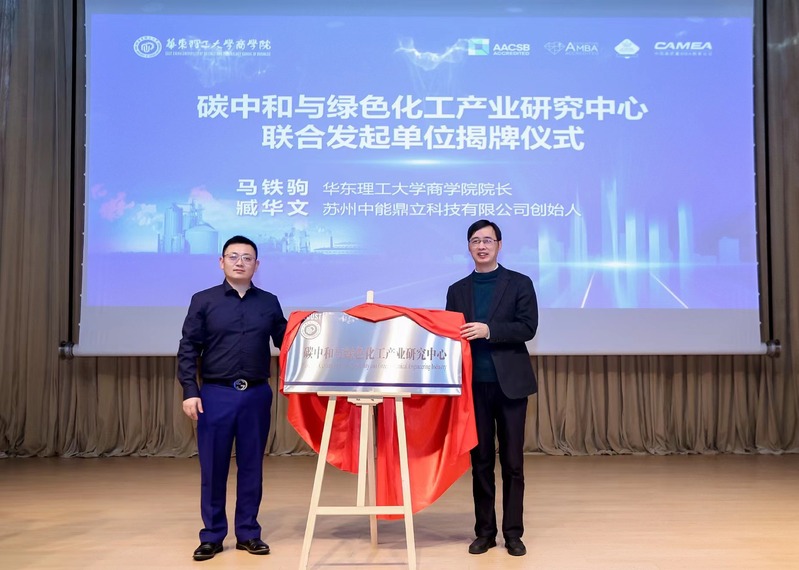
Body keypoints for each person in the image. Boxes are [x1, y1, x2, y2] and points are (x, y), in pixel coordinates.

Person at [177, 235, 287, 562]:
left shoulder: (269, 302)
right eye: (233, 256)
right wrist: (190, 391)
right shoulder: (204, 300)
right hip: (215, 394)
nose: (240, 262)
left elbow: (287, 341)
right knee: (213, 468)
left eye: (247, 257)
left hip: (256, 394)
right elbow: (188, 348)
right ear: (221, 261)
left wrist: (319, 333)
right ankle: (212, 536)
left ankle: (248, 533)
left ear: (257, 264)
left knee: (252, 466)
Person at [445, 219, 538, 557]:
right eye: (475, 241)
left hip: (510, 386)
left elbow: (527, 327)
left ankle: (513, 533)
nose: (481, 246)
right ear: (468, 247)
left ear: (499, 245)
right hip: (474, 387)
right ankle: (484, 532)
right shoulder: (457, 290)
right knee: (481, 462)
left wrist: (489, 330)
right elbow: (450, 334)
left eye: (487, 240)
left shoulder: (519, 283)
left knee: (513, 463)